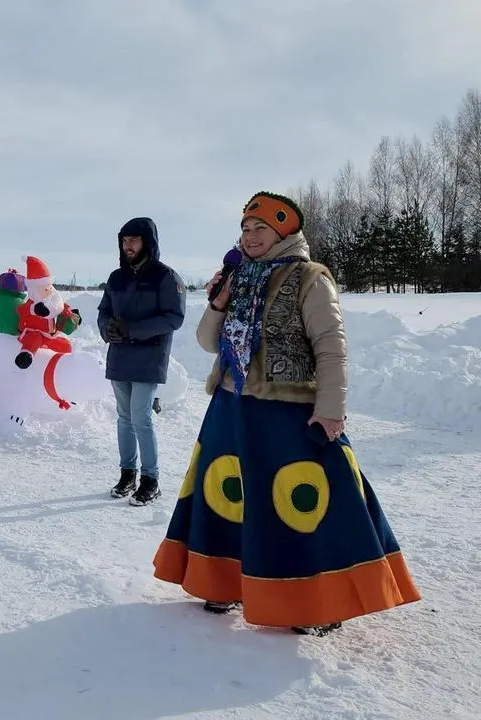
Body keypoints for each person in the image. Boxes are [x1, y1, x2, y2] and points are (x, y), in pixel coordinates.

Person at [153, 191, 420, 636]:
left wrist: (331, 410)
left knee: (300, 503)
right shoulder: (238, 276)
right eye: (245, 229)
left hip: (288, 411)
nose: (250, 236)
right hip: (232, 405)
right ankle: (224, 582)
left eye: (261, 229)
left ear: (284, 234)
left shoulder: (311, 278)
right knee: (229, 496)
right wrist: (220, 299)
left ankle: (314, 601)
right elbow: (206, 341)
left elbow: (331, 348)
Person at [96, 218, 186, 505]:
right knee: (124, 419)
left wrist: (132, 330)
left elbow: (174, 317)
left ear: (148, 242)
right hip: (120, 357)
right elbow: (103, 311)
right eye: (124, 240)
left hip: (148, 358)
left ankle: (151, 479)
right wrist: (107, 328)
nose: (128, 246)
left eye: (134, 240)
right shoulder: (116, 278)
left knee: (141, 419)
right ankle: (127, 473)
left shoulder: (165, 277)